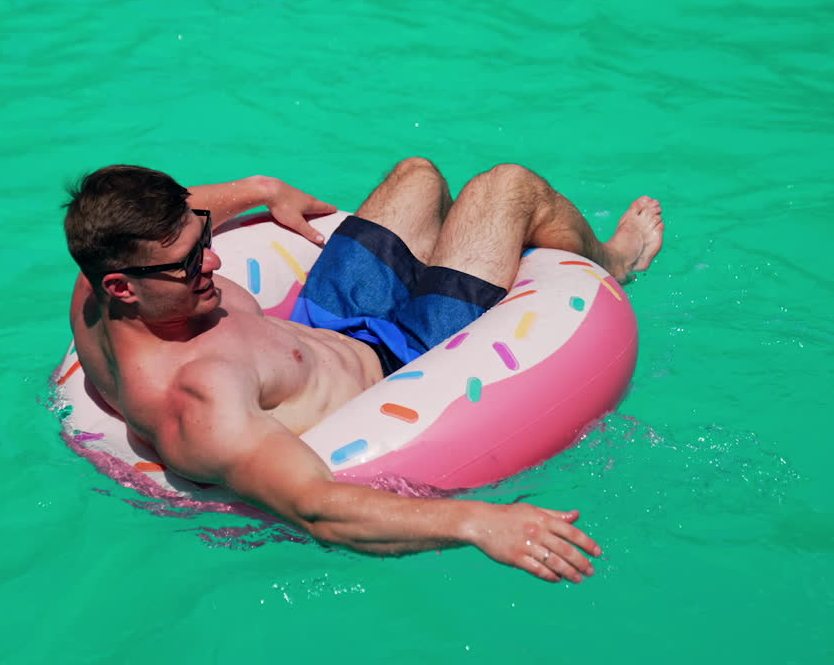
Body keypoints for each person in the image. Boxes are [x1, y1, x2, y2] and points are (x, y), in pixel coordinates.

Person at [64, 158, 663, 583]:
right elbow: (316, 507)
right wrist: (478, 523)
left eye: (203, 238)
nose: (214, 259)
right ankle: (618, 259)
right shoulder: (199, 402)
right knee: (509, 187)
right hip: (409, 356)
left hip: (325, 320)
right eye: (189, 262)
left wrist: (258, 188)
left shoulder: (96, 288)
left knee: (418, 175)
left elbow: (166, 214)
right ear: (122, 286)